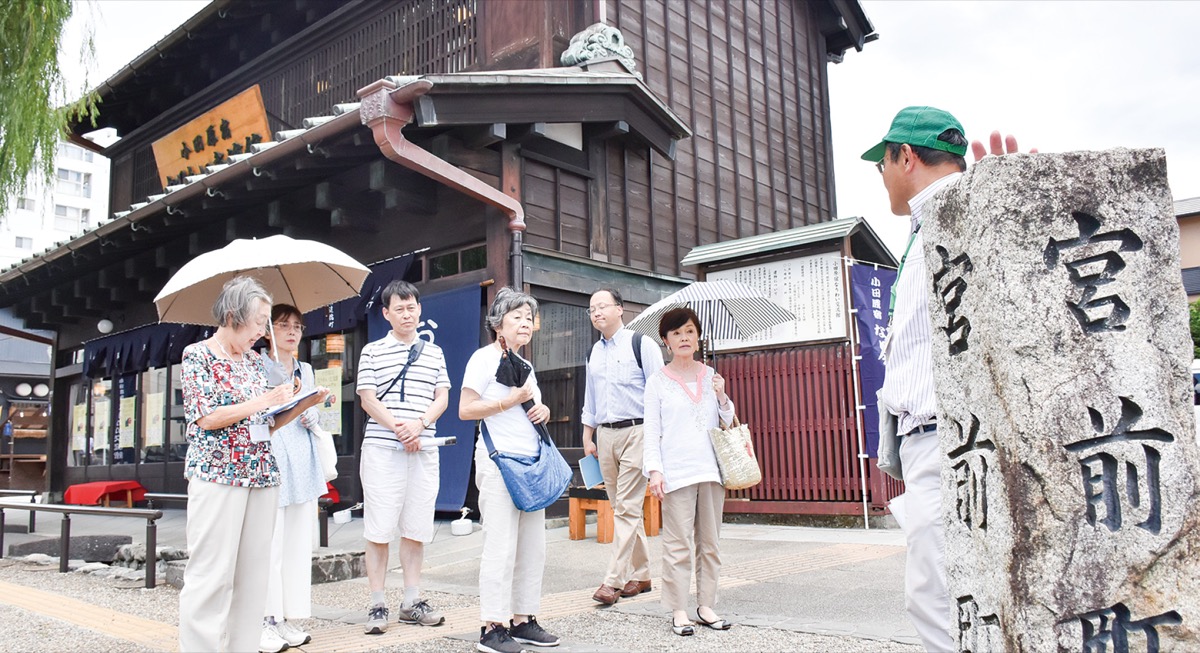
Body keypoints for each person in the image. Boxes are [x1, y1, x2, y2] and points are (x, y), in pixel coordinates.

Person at [863, 107, 1029, 652]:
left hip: (949, 438)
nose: (883, 177)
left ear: (904, 156)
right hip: (937, 441)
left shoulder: (956, 219)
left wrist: (1016, 213)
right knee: (960, 591)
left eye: (882, 164)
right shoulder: (928, 230)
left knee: (939, 596)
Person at [177, 276, 329, 653]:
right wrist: (263, 400)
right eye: (260, 322)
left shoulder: (253, 363)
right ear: (232, 315)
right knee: (210, 574)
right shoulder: (198, 355)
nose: (263, 332)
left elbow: (268, 423)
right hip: (218, 474)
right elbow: (206, 416)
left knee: (253, 577)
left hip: (262, 474)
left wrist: (301, 404)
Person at [459, 287, 561, 653]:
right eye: (516, 317)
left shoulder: (526, 365)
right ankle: (492, 626)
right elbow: (466, 410)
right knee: (500, 546)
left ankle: (523, 619)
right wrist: (508, 401)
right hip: (499, 461)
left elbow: (530, 406)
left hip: (530, 462)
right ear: (498, 324)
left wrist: (542, 410)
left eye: (528, 318)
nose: (525, 323)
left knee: (533, 547)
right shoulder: (482, 359)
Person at [356, 280, 451, 634]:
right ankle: (377, 603)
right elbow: (367, 398)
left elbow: (442, 397)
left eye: (412, 307)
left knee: (416, 526)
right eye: (399, 308)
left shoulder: (434, 352)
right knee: (378, 528)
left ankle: (412, 600)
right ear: (386, 313)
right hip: (383, 448)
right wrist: (400, 427)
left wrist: (421, 424)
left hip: (424, 448)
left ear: (419, 309)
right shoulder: (371, 351)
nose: (407, 314)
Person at [643, 306, 736, 637]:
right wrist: (654, 471)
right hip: (676, 473)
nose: (684, 338)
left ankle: (706, 605)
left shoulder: (711, 376)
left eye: (689, 332)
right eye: (676, 333)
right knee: (677, 543)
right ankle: (679, 609)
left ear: (698, 338)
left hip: (711, 471)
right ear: (666, 341)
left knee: (710, 543)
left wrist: (722, 395)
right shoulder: (656, 382)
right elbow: (651, 430)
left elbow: (727, 422)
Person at [580, 288, 664, 605]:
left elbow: (659, 394)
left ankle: (612, 582)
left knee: (627, 508)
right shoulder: (593, 353)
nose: (597, 312)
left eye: (602, 306)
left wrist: (659, 440)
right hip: (605, 435)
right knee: (622, 509)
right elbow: (591, 398)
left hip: (638, 431)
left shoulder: (642, 345)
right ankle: (641, 575)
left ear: (620, 309)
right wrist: (588, 436)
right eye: (591, 309)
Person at [258, 304, 328, 652]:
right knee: (269, 545)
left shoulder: (306, 369)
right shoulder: (257, 366)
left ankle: (286, 617)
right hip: (272, 461)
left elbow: (313, 415)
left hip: (302, 460)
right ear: (269, 329)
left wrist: (311, 412)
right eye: (283, 325)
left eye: (297, 327)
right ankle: (263, 618)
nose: (291, 332)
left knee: (297, 545)